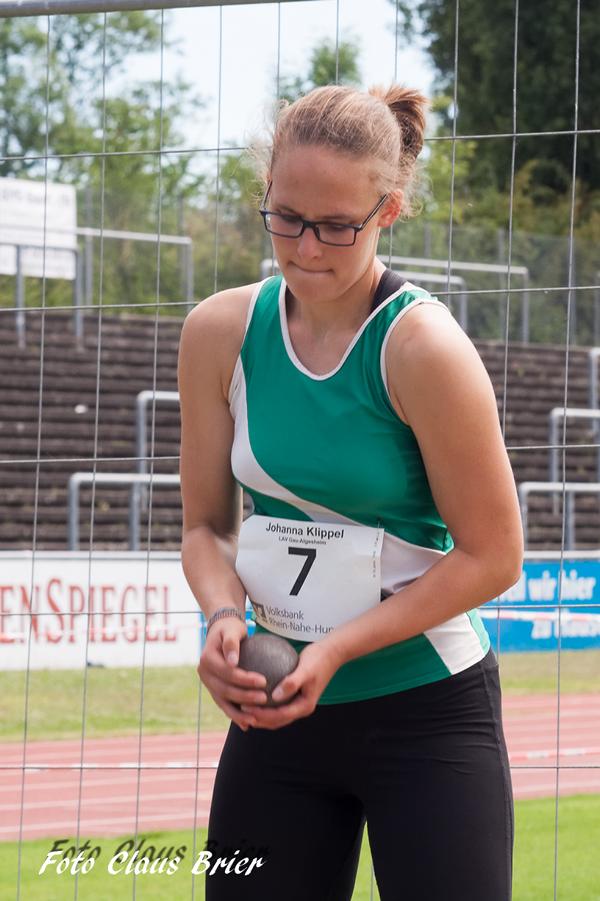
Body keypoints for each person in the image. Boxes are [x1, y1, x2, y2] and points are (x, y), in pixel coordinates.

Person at [178, 83, 524, 901]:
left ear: (388, 211)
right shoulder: (218, 332)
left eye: (337, 225)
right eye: (286, 216)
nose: (305, 248)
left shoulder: (423, 347)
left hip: (426, 713)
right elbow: (206, 528)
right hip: (274, 715)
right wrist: (223, 615)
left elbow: (494, 555)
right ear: (266, 194)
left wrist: (334, 649)